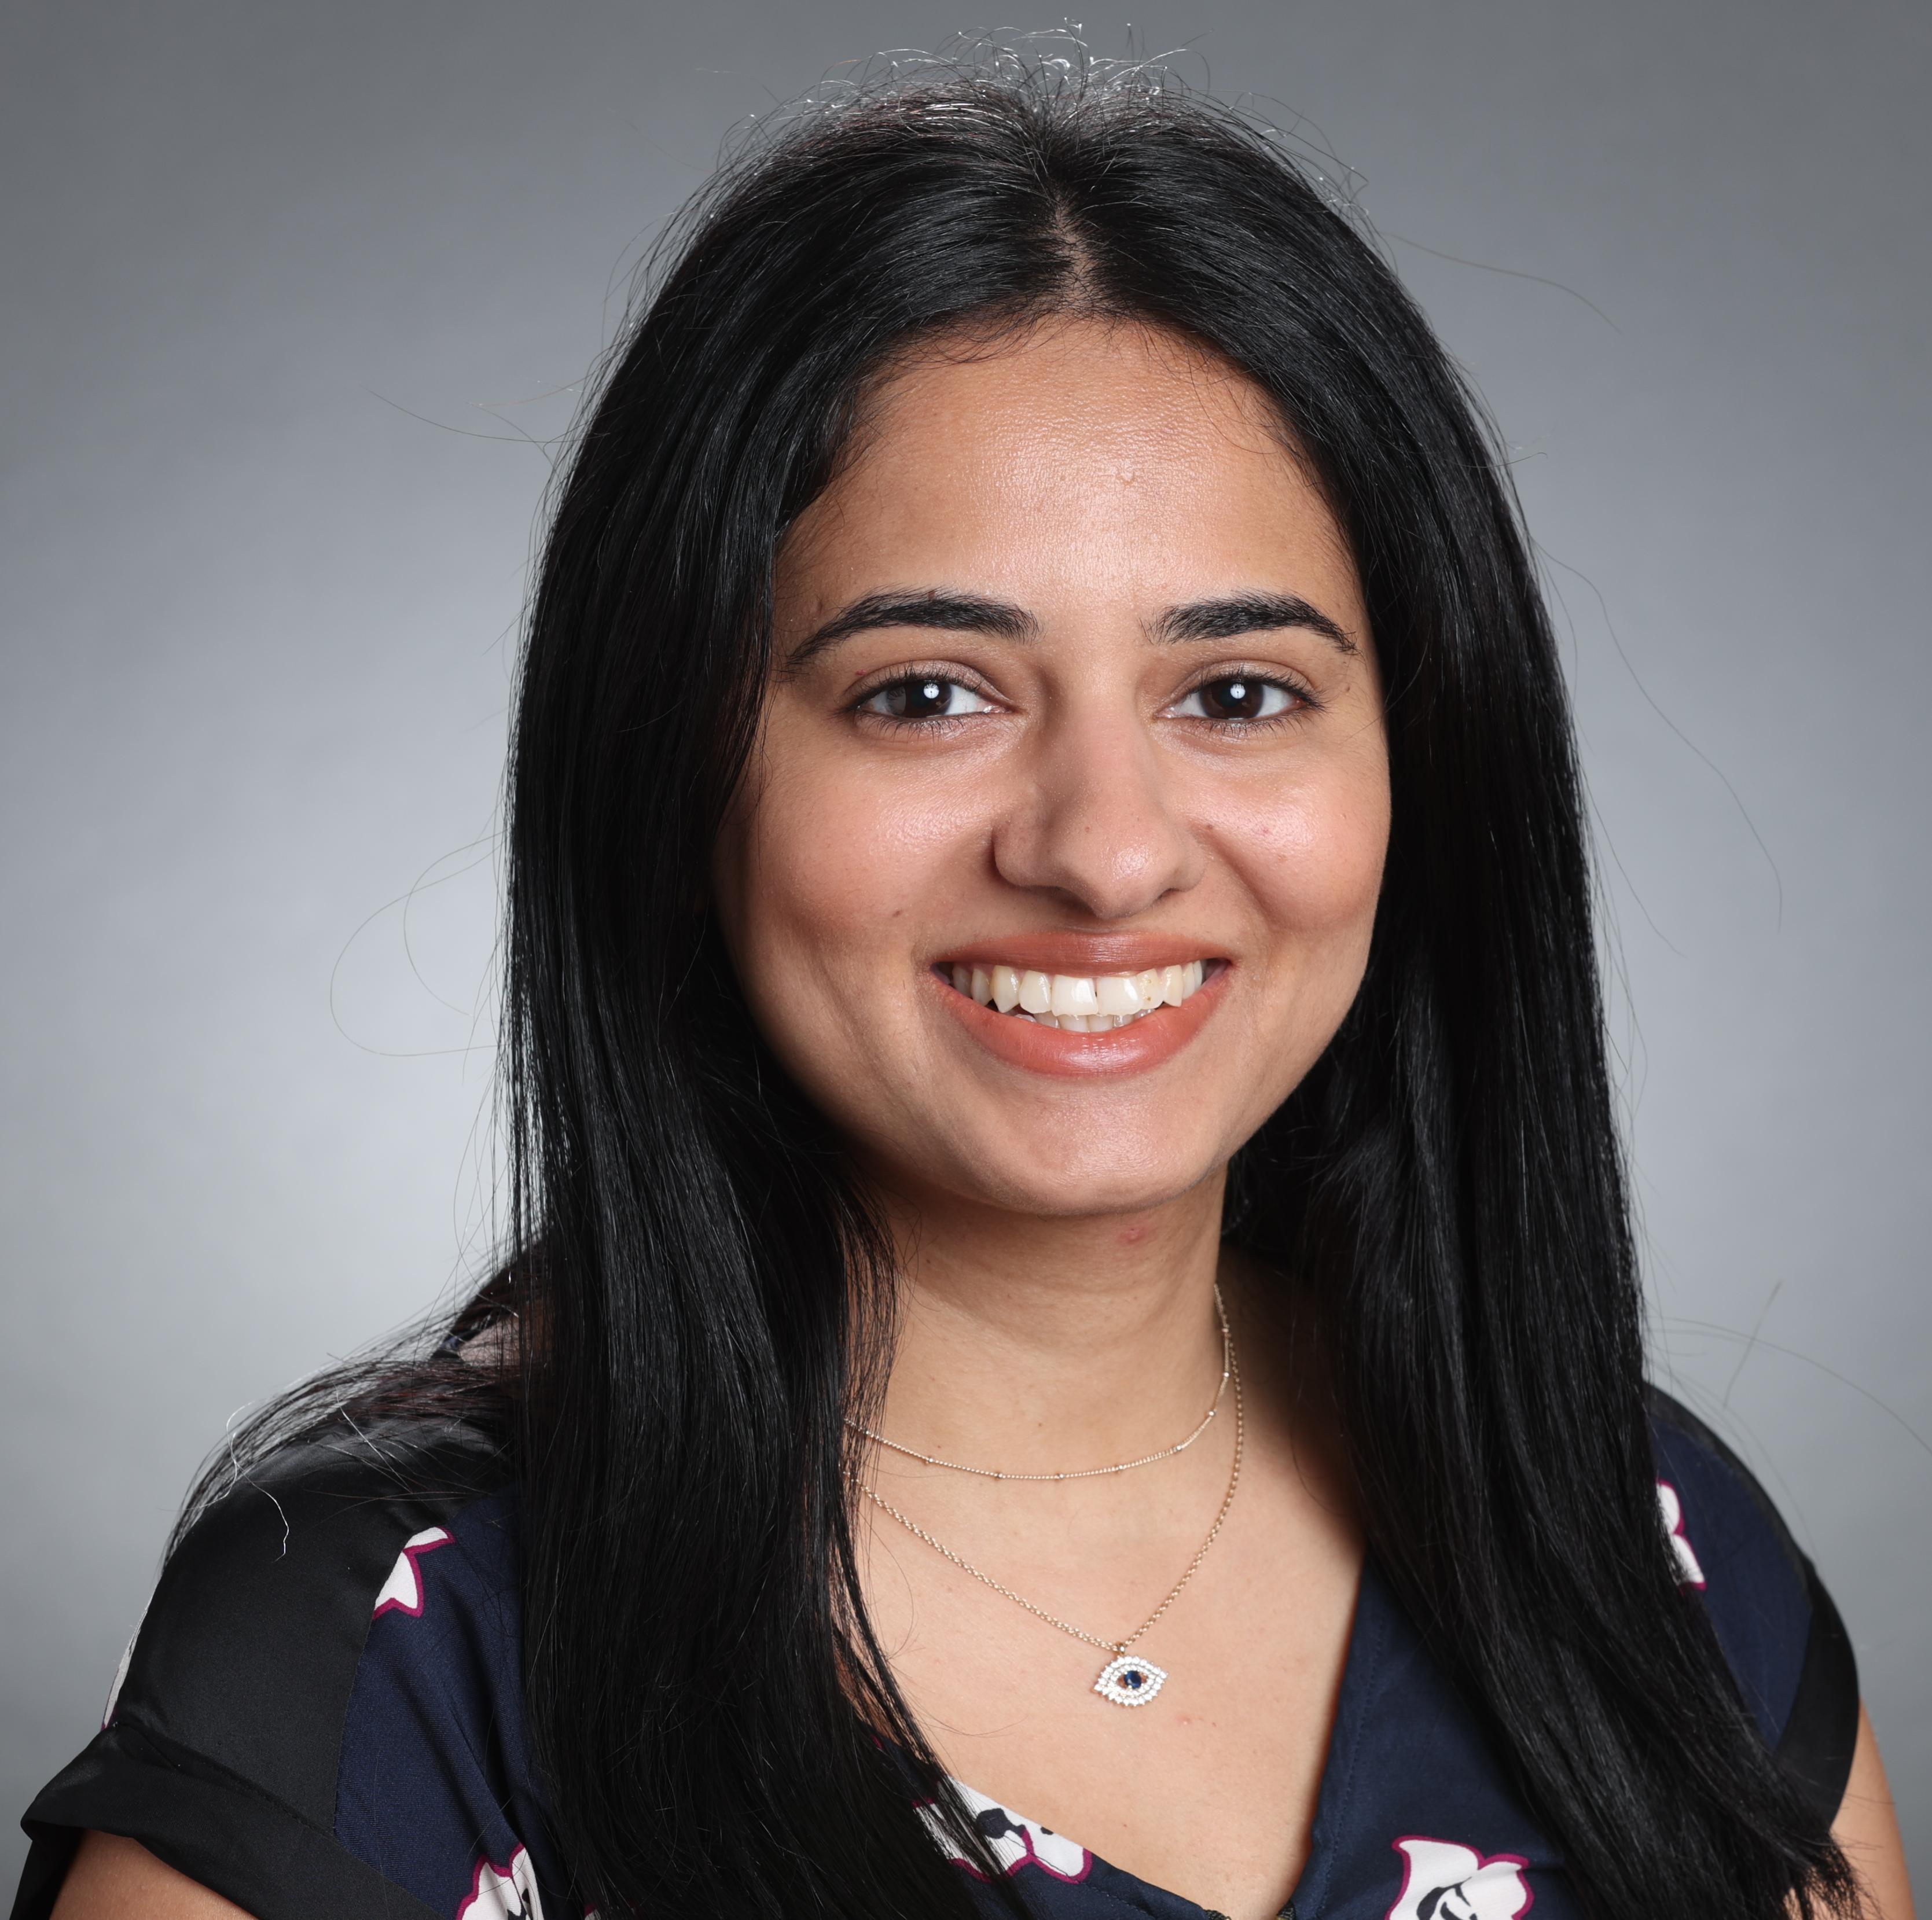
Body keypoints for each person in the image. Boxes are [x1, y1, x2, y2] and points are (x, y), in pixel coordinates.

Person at [12, 61, 1913, 1920]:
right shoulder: (395, 1656)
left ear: (1423, 765)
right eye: (926, 693)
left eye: (1235, 694)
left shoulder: (1634, 1548)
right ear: (676, 776)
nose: (1102, 849)